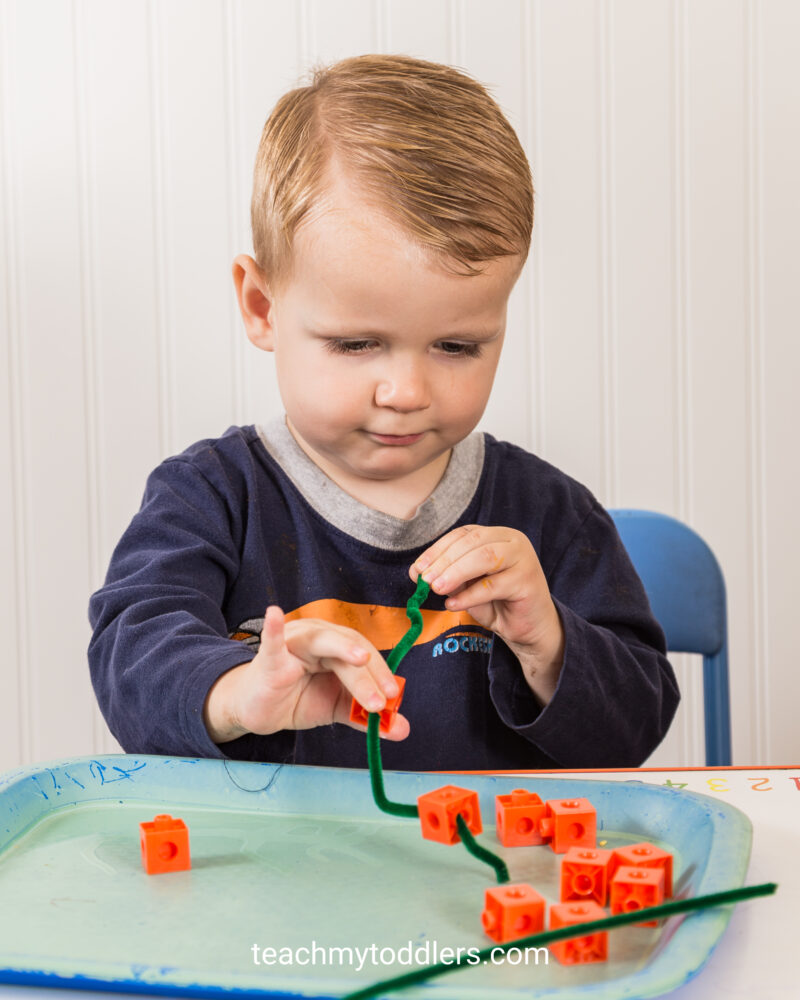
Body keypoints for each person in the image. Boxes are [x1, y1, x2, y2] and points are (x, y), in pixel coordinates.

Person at [88, 54, 679, 770]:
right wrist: (240, 692)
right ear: (262, 307)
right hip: (276, 875)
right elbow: (131, 662)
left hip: (487, 877)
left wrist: (547, 642)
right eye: (358, 343)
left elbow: (637, 726)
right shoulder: (210, 496)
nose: (406, 391)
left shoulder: (552, 515)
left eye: (457, 345)